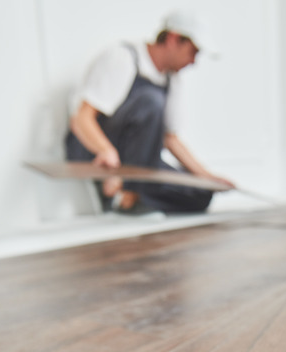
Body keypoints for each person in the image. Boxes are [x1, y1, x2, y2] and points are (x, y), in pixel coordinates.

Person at [65, 10, 235, 214]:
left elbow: (170, 139)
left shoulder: (172, 79)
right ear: (173, 39)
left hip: (141, 160)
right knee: (150, 101)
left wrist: (207, 177)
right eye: (193, 51)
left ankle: (129, 194)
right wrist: (105, 151)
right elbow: (81, 119)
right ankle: (129, 196)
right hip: (94, 150)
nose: (193, 61)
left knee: (200, 194)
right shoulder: (123, 57)